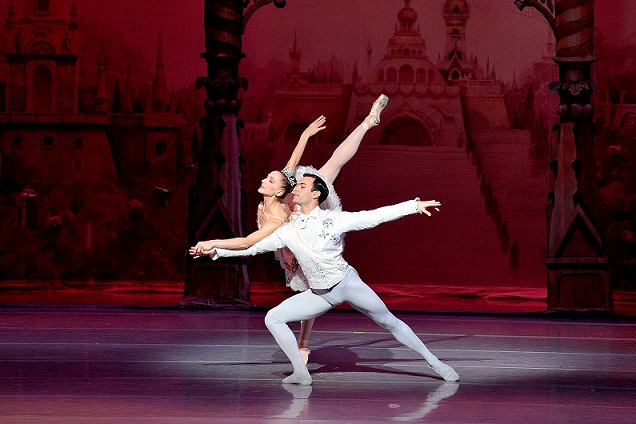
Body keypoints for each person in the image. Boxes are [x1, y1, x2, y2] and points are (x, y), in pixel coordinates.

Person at [194, 173, 459, 386]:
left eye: (303, 186)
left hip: (347, 284)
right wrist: (217, 251)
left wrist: (413, 206)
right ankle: (301, 373)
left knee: (389, 321)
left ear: (316, 194)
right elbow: (253, 247)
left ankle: (435, 362)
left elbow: (373, 217)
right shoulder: (288, 231)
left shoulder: (334, 219)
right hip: (320, 294)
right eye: (296, 185)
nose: (297, 189)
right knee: (273, 317)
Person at [191, 95, 390, 364]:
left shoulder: (279, 214)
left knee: (332, 167)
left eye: (270, 180)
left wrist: (214, 243)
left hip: (303, 237)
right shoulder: (276, 200)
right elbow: (290, 165)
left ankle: (368, 122)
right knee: (308, 291)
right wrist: (305, 135)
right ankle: (303, 341)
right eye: (268, 177)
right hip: (289, 248)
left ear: (280, 191)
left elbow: (248, 242)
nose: (265, 179)